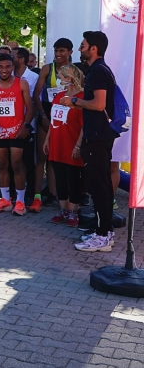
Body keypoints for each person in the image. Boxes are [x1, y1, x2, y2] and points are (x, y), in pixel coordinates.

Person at [64, 31, 119, 252]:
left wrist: (74, 101)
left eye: (83, 45)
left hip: (98, 136)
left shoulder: (97, 71)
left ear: (93, 48)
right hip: (98, 135)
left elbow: (98, 104)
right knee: (100, 185)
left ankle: (104, 235)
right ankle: (102, 230)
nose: (80, 49)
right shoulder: (100, 70)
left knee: (99, 186)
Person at [0, 54, 34, 216]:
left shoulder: (22, 84)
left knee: (17, 165)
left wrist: (25, 126)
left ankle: (20, 201)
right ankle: (5, 199)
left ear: (13, 67)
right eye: (1, 67)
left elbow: (30, 107)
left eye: (8, 67)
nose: (4, 70)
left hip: (17, 132)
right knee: (2, 165)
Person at [43, 64, 85, 228]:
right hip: (57, 142)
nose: (59, 79)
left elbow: (84, 125)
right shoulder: (58, 96)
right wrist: (47, 140)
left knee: (73, 178)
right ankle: (63, 209)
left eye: (61, 76)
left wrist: (78, 145)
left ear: (70, 77)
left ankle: (74, 211)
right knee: (59, 177)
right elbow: (54, 120)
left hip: (72, 143)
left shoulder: (81, 98)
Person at [33, 37, 74, 204]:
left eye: (62, 50)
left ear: (70, 52)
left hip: (66, 117)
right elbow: (36, 94)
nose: (58, 54)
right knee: (43, 157)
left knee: (59, 158)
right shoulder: (46, 69)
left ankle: (56, 193)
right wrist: (43, 116)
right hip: (47, 114)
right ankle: (37, 196)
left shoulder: (74, 70)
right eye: (56, 50)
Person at [11, 46, 41, 210]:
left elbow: (35, 103)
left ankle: (29, 194)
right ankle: (14, 192)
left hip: (27, 126)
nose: (10, 59)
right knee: (12, 162)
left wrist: (27, 125)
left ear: (21, 59)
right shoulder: (8, 75)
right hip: (9, 125)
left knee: (28, 160)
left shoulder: (33, 77)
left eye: (13, 56)